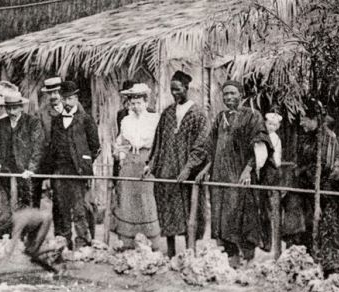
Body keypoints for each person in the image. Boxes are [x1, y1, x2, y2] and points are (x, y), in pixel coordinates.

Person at [205, 80, 276, 267]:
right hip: (221, 176)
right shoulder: (220, 117)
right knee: (222, 217)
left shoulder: (252, 116)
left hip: (240, 176)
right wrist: (206, 170)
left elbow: (260, 145)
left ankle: (249, 257)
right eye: (225, 94)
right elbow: (211, 146)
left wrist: (248, 170)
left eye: (232, 93)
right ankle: (232, 257)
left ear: (241, 95)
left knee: (244, 216)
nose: (228, 97)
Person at [146, 72, 210, 257]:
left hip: (187, 174)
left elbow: (202, 144)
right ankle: (171, 251)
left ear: (186, 88)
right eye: (172, 90)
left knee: (191, 210)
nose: (174, 93)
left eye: (178, 89)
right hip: (167, 172)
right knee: (167, 211)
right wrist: (151, 164)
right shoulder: (167, 113)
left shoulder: (198, 114)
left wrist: (189, 168)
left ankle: (191, 251)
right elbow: (159, 141)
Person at [284, 100, 339, 275]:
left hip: (324, 189)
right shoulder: (305, 138)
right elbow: (300, 161)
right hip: (306, 188)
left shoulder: (328, 137)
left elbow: (325, 165)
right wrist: (299, 170)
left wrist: (303, 171)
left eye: (304, 119)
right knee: (303, 223)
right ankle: (303, 263)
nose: (301, 123)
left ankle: (329, 268)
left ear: (314, 119)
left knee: (326, 226)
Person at [39, 81, 100, 250]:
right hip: (60, 170)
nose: (67, 102)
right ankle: (64, 241)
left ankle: (83, 243)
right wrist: (50, 171)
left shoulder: (86, 120)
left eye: (70, 98)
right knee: (61, 207)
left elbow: (95, 146)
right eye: (64, 98)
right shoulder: (57, 121)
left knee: (80, 208)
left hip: (78, 171)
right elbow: (52, 147)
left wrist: (84, 163)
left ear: (76, 98)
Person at [0, 91, 44, 230]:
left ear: (21, 107)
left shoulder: (32, 122)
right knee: (5, 205)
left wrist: (31, 169)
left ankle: (26, 235)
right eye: (9, 108)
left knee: (27, 204)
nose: (12, 112)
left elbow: (38, 147)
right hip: (6, 170)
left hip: (26, 172)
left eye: (15, 108)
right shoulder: (2, 123)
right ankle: (7, 233)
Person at [110, 83, 160, 251]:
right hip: (130, 162)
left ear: (146, 102)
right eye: (133, 103)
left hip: (147, 161)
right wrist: (119, 152)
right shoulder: (126, 121)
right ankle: (128, 240)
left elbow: (158, 144)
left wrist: (151, 162)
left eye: (139, 102)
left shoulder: (154, 119)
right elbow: (120, 142)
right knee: (128, 199)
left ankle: (151, 240)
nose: (136, 106)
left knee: (146, 199)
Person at [0, 207, 59, 272]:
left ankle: (57, 248)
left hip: (45, 219)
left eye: (3, 222)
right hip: (34, 224)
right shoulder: (2, 221)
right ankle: (53, 269)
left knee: (32, 252)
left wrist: (0, 268)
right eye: (0, 222)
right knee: (29, 252)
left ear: (9, 218)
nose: (2, 225)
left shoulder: (18, 221)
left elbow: (12, 246)